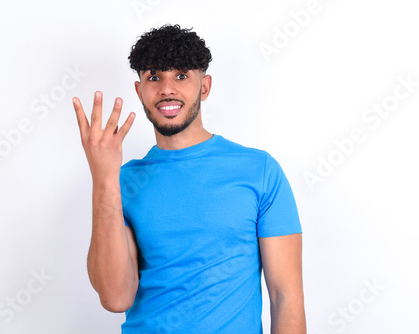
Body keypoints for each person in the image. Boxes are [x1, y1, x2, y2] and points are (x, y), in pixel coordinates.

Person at [73, 24, 306, 334]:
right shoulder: (121, 181)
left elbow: (285, 296)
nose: (167, 88)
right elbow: (116, 297)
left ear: (204, 87)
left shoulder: (259, 170)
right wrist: (103, 178)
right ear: (139, 90)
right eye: (154, 77)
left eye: (181, 75)